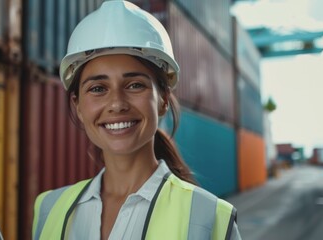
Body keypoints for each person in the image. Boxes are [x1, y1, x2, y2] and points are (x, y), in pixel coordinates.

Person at [32, 1, 242, 239]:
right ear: (77, 105)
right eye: (98, 88)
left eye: (135, 85)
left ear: (163, 99)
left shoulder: (210, 217)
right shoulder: (48, 209)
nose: (117, 103)